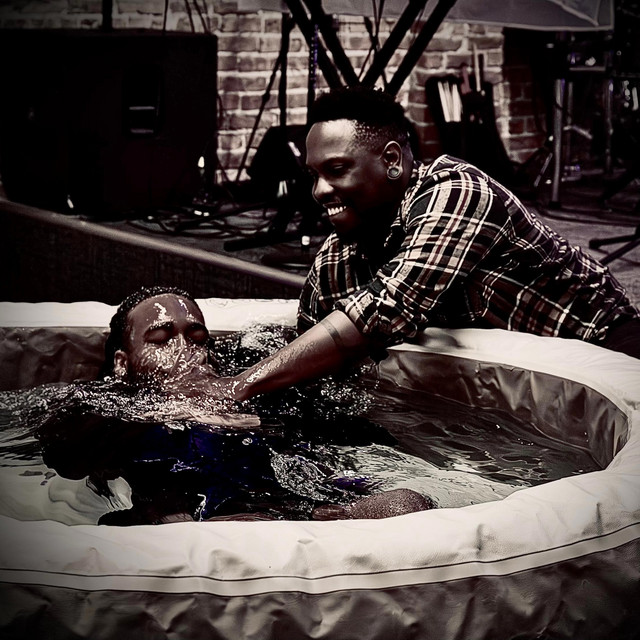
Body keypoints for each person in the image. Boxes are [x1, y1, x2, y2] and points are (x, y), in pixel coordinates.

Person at [206, 85, 640, 403]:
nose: (319, 191)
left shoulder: (457, 191)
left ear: (392, 160)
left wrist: (235, 388)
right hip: (511, 388)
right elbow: (304, 353)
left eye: (336, 170)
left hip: (609, 349)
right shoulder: (336, 260)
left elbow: (388, 307)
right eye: (313, 176)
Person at [37, 285, 432, 524]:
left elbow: (341, 436)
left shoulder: (240, 392)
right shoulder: (105, 404)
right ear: (122, 363)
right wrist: (173, 410)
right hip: (191, 520)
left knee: (408, 504)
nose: (185, 350)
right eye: (160, 340)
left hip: (289, 509)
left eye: (197, 339)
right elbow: (63, 453)